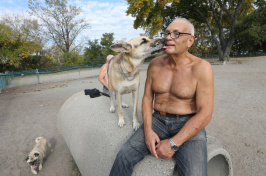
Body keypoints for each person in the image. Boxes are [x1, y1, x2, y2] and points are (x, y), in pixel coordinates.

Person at [109, 17, 214, 176]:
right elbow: (147, 99)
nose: (168, 37)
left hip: (188, 122)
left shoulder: (202, 68)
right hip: (158, 120)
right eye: (167, 33)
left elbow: (205, 114)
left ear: (190, 41)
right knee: (123, 156)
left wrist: (174, 143)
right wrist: (148, 129)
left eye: (176, 34)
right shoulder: (155, 64)